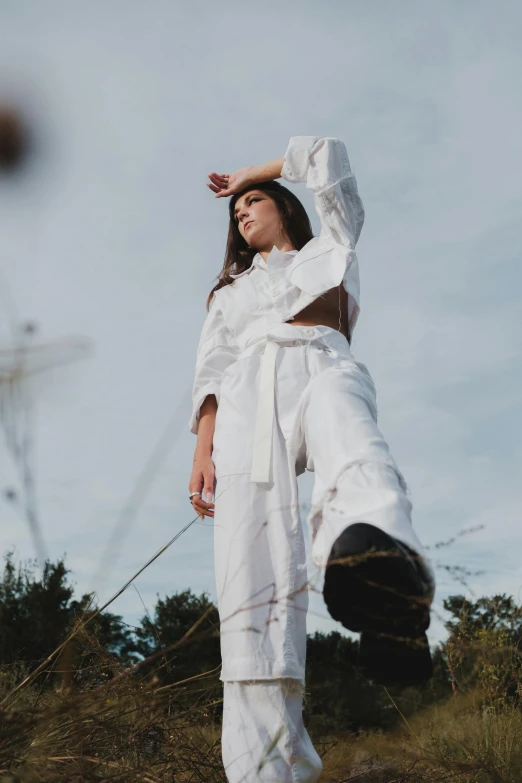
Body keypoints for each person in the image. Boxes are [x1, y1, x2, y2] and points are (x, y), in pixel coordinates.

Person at [188, 136, 435, 783]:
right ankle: (269, 771)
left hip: (317, 362)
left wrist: (252, 169)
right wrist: (203, 451)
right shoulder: (228, 292)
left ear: (286, 207)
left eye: (255, 201)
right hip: (245, 410)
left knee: (341, 412)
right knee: (250, 585)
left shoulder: (331, 244)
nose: (241, 211)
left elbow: (330, 155)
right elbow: (211, 371)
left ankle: (387, 579)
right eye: (235, 208)